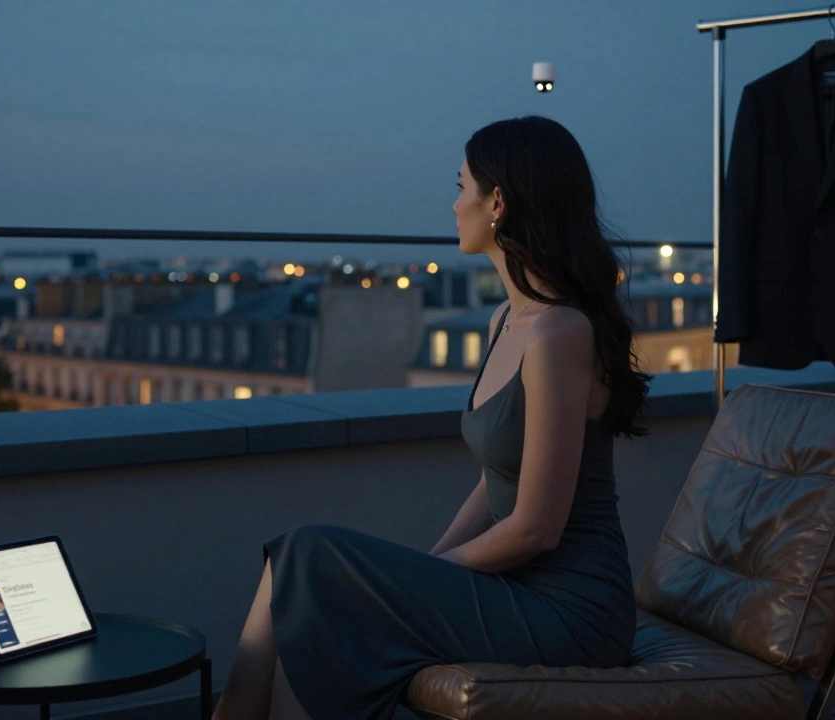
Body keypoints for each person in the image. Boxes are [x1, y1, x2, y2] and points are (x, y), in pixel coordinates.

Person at [213, 115, 651, 720]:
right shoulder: (506, 323)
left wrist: (420, 576)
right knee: (309, 590)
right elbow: (494, 480)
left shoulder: (558, 334)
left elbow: (535, 529)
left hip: (572, 610)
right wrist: (420, 571)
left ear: (498, 202)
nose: (453, 205)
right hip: (516, 587)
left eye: (461, 186)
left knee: (306, 552)